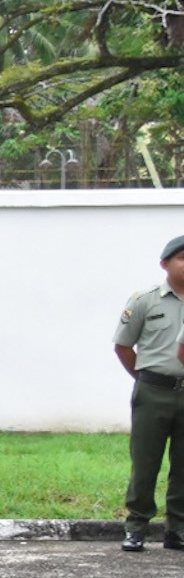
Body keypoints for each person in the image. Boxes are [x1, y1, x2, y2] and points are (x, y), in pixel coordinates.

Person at [115, 233, 184, 551]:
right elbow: (124, 346)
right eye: (182, 258)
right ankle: (137, 526)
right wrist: (143, 378)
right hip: (153, 392)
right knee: (145, 463)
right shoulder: (145, 300)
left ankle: (178, 528)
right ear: (165, 264)